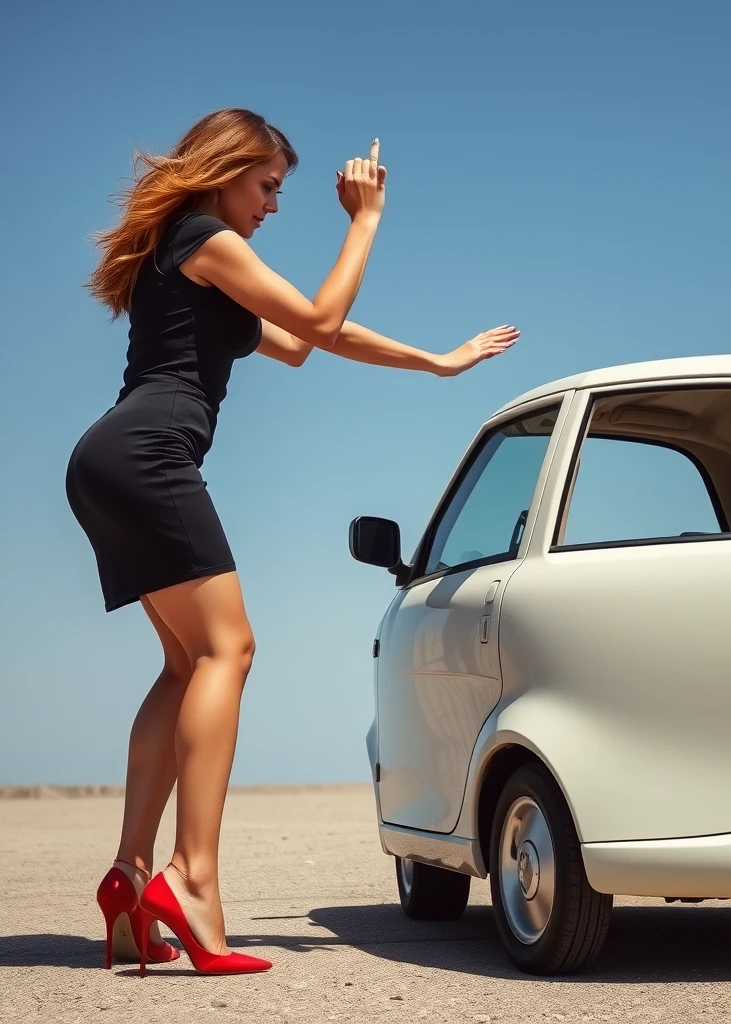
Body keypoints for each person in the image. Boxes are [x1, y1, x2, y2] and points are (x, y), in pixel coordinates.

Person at [67, 107, 518, 976]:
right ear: (228, 169)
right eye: (268, 186)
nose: (273, 205)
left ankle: (130, 878)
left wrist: (438, 360)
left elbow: (315, 341)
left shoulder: (189, 250)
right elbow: (318, 318)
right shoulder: (204, 235)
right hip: (150, 453)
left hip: (109, 457)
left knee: (184, 665)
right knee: (229, 652)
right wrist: (366, 221)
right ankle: (191, 880)